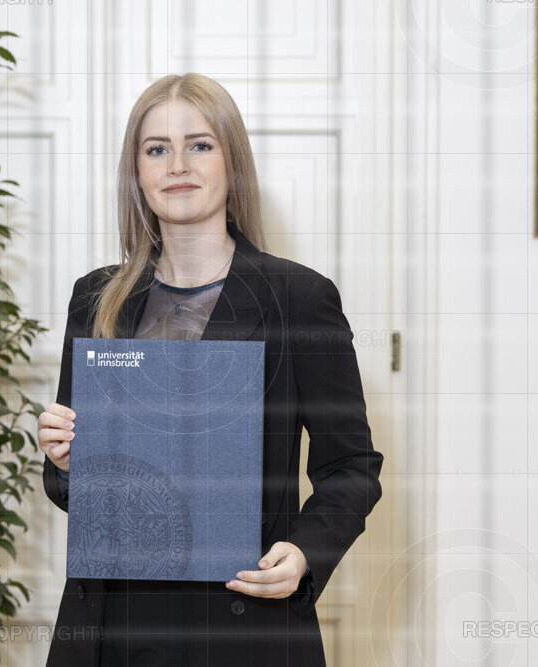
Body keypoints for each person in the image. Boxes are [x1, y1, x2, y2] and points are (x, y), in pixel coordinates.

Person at [38, 73, 383, 667]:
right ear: (136, 172)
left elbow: (351, 467)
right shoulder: (94, 298)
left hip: (242, 620)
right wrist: (65, 459)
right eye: (156, 149)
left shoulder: (300, 299)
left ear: (233, 162)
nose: (178, 165)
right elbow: (76, 488)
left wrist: (305, 553)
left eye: (199, 144)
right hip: (111, 625)